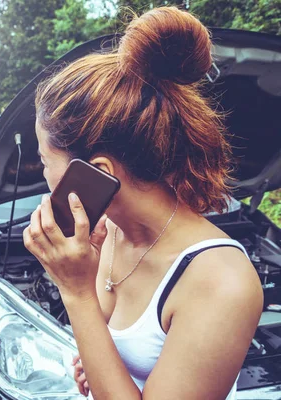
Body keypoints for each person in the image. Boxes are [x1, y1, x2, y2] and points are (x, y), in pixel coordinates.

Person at [23, 6, 263, 399]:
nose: (44, 176)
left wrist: (76, 290)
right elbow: (100, 336)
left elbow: (89, 310)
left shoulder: (222, 281)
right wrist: (100, 362)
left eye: (45, 160)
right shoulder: (110, 232)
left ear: (97, 169)